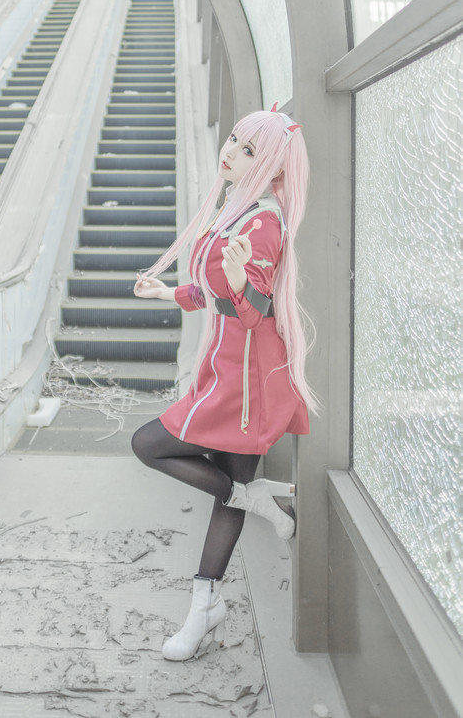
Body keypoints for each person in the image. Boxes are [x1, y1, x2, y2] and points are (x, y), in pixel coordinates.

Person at [132, 106, 316, 661]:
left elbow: (255, 312)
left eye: (248, 149)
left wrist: (240, 280)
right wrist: (169, 293)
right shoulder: (240, 208)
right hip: (226, 370)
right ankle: (211, 593)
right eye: (234, 140)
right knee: (232, 487)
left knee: (149, 444)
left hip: (249, 380)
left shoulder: (264, 222)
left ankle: (206, 598)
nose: (230, 151)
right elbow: (214, 293)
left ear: (274, 167)